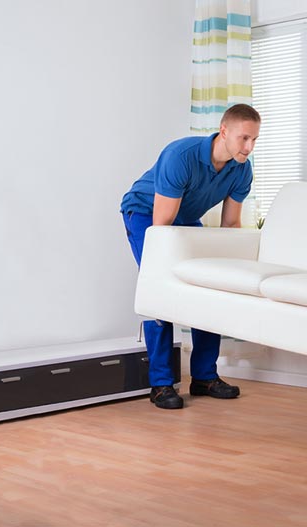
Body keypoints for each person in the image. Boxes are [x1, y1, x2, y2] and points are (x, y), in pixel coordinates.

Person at [120, 104, 261, 410]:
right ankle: (160, 384)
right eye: (244, 138)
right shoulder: (180, 156)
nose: (249, 148)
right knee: (160, 289)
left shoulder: (242, 169)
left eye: (254, 140)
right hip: (147, 214)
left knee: (207, 289)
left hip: (183, 219)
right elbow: (161, 227)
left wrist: (229, 269)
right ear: (224, 131)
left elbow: (231, 225)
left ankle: (204, 378)